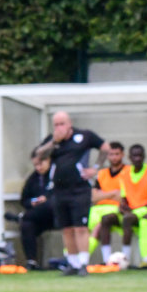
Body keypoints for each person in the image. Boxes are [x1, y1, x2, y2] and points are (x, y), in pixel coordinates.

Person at [34, 111, 110, 276]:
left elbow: (105, 148)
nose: (59, 127)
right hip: (60, 190)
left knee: (80, 227)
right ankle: (73, 263)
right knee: (66, 229)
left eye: (62, 124)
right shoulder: (53, 141)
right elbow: (39, 155)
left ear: (70, 124)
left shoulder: (84, 136)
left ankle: (83, 263)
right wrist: (54, 142)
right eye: (56, 124)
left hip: (79, 190)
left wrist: (95, 168)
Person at [101, 144, 147, 264]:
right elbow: (124, 197)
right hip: (131, 211)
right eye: (134, 156)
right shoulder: (125, 174)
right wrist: (123, 206)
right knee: (106, 219)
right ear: (130, 157)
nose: (137, 159)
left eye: (140, 156)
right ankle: (106, 260)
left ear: (144, 156)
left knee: (127, 219)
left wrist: (135, 208)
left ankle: (126, 259)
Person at [8, 152, 54, 269]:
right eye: (35, 165)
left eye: (40, 164)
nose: (38, 168)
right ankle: (31, 261)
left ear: (48, 160)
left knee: (47, 205)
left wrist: (47, 198)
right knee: (27, 225)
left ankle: (21, 217)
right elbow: (24, 199)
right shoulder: (33, 178)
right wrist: (32, 202)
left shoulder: (56, 174)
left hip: (56, 214)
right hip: (38, 217)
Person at [87, 142, 125, 263]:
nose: (114, 157)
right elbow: (93, 197)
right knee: (80, 228)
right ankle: (70, 257)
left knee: (99, 226)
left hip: (116, 209)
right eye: (111, 154)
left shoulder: (128, 172)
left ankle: (83, 259)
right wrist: (113, 193)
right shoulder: (101, 173)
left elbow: (124, 196)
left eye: (117, 154)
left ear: (122, 155)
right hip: (97, 210)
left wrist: (102, 194)